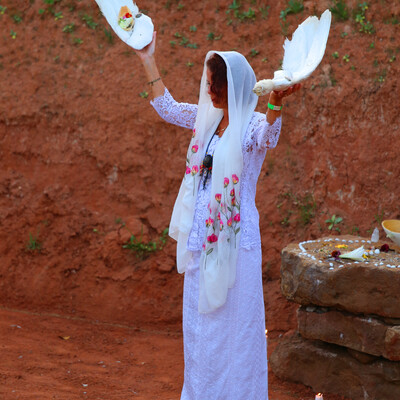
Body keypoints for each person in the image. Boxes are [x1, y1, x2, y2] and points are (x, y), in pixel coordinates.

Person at [136, 31, 300, 400]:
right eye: (209, 85)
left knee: (236, 330)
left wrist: (275, 101)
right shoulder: (206, 122)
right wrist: (148, 57)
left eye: (217, 87)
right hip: (202, 241)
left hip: (237, 245)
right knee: (200, 332)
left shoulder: (253, 126)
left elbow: (269, 137)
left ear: (235, 89)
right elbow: (167, 107)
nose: (210, 93)